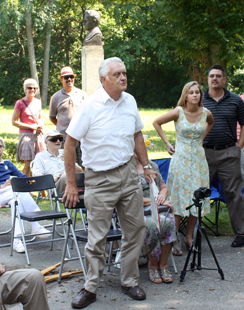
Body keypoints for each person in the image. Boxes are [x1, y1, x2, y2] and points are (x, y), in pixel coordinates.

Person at [63, 57, 156, 309]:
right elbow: (70, 145)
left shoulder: (130, 101)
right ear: (104, 79)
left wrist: (146, 166)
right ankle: (90, 287)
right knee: (98, 237)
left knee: (135, 229)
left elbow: (137, 135)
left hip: (127, 173)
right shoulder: (90, 106)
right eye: (117, 74)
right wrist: (72, 184)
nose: (123, 78)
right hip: (99, 178)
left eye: (124, 73)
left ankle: (129, 281)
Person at [153, 81, 214, 252]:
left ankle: (189, 237)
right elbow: (156, 122)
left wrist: (202, 139)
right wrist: (167, 143)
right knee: (179, 199)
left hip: (199, 162)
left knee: (196, 199)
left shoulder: (206, 113)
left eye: (198, 92)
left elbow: (211, 123)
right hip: (180, 160)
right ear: (185, 95)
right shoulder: (178, 112)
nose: (195, 95)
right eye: (191, 92)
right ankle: (174, 239)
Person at [202, 65, 244, 248]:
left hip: (229, 152)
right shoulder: (199, 100)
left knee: (233, 193)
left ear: (224, 80)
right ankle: (192, 232)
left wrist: (239, 147)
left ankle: (242, 234)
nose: (214, 79)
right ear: (207, 79)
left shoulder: (235, 100)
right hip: (204, 153)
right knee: (197, 192)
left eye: (218, 76)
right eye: (211, 76)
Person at [0, 136, 51, 253]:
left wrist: (33, 182)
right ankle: (35, 224)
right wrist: (2, 186)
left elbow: (23, 177)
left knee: (17, 202)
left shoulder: (7, 164)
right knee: (18, 190)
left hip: (11, 194)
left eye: (0, 146)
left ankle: (17, 240)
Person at [135, 156, 176, 284]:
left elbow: (163, 186)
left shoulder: (151, 165)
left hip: (156, 205)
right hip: (137, 208)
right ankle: (152, 265)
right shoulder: (125, 169)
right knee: (151, 224)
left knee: (168, 221)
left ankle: (163, 265)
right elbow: (129, 198)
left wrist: (162, 195)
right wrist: (154, 202)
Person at [49, 67, 87, 165]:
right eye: (66, 77)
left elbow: (88, 114)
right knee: (66, 164)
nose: (69, 79)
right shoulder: (55, 97)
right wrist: (63, 126)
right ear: (61, 79)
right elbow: (52, 117)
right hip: (64, 138)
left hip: (80, 136)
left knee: (83, 163)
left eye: (71, 77)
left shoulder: (82, 95)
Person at [32, 130, 83, 197]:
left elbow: (80, 172)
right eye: (54, 139)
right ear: (46, 143)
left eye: (60, 139)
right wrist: (54, 178)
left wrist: (69, 161)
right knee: (65, 175)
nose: (58, 141)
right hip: (54, 187)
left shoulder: (65, 153)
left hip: (72, 183)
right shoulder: (40, 156)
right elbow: (38, 177)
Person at [11, 78, 44, 176]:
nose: (32, 90)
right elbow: (14, 122)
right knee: (28, 164)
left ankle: (39, 188)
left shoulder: (38, 102)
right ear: (25, 89)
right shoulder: (20, 103)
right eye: (30, 88)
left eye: (35, 88)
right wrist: (31, 126)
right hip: (26, 135)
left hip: (37, 135)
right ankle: (25, 188)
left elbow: (40, 117)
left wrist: (40, 124)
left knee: (38, 163)